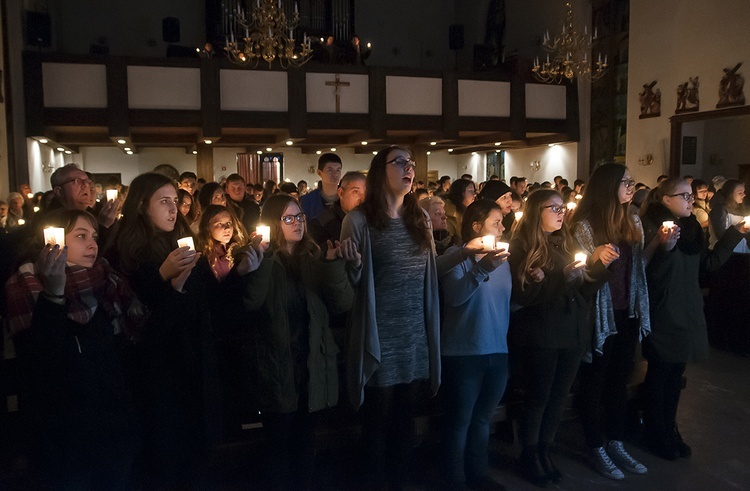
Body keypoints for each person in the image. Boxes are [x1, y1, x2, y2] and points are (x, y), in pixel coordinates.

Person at [5, 208, 141, 489]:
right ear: (48, 241)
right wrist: (53, 296)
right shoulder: (26, 288)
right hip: (63, 441)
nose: (93, 244)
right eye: (81, 236)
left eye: (94, 235)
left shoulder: (106, 282)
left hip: (111, 433)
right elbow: (39, 362)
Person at [106, 172, 219, 487]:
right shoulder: (126, 253)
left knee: (196, 461)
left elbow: (208, 300)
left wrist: (243, 273)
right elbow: (141, 321)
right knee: (165, 461)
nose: (174, 209)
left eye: (176, 201)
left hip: (193, 360)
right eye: (164, 201)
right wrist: (162, 276)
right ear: (142, 205)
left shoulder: (183, 243)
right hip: (158, 374)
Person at [237, 193, 355, 489]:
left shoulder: (314, 257)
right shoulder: (257, 258)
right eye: (289, 218)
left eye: (300, 217)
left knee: (306, 444)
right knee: (278, 447)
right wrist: (260, 262)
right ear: (275, 223)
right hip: (277, 366)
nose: (297, 223)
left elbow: (342, 304)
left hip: (311, 364)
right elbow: (251, 303)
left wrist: (333, 266)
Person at [340, 146, 440, 488]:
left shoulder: (421, 218)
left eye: (411, 162)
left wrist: (473, 261)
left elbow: (431, 274)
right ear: (379, 170)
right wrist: (352, 266)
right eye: (400, 162)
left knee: (406, 422)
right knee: (377, 424)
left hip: (415, 334)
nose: (409, 168)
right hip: (378, 334)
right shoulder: (357, 220)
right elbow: (348, 289)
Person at [638, 178, 747, 460]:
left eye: (691, 196)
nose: (690, 200)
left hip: (687, 311)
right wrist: (663, 249)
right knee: (660, 375)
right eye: (683, 195)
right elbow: (647, 276)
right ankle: (655, 432)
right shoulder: (651, 227)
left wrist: (735, 234)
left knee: (675, 376)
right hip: (664, 313)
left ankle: (670, 429)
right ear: (665, 200)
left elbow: (707, 266)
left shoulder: (690, 230)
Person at [508, 189, 610, 486]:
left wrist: (599, 266)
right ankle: (529, 453)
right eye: (552, 207)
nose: (560, 212)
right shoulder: (522, 245)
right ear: (535, 213)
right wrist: (559, 277)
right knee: (539, 395)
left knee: (559, 396)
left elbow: (583, 290)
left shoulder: (567, 240)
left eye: (561, 206)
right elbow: (523, 295)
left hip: (572, 330)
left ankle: (545, 448)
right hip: (541, 332)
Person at [570, 163, 650, 480]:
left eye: (631, 181)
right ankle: (595, 444)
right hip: (598, 316)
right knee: (595, 381)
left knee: (619, 378)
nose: (631, 186)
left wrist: (661, 245)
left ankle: (615, 441)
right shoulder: (584, 227)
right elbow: (582, 280)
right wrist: (593, 260)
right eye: (624, 181)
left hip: (627, 311)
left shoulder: (632, 220)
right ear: (607, 185)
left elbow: (638, 266)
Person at [440, 199, 511, 489]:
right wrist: (482, 269)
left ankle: (479, 474)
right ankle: (454, 479)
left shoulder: (504, 259)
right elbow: (455, 297)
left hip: (497, 350)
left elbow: (505, 302)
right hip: (464, 351)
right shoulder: (455, 256)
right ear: (476, 227)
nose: (503, 227)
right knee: (460, 421)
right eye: (496, 222)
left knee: (483, 419)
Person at [309, 171, 366, 253]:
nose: (362, 199)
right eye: (355, 192)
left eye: (366, 193)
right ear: (341, 193)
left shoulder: (371, 221)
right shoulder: (320, 224)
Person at [708, 178, 747, 251]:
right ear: (730, 193)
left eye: (743, 192)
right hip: (724, 253)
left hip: (738, 250)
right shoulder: (720, 209)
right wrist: (738, 229)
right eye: (740, 193)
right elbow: (721, 235)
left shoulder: (737, 208)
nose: (744, 195)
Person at [300, 153, 343, 220]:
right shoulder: (309, 201)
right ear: (319, 173)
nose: (335, 174)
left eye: (338, 170)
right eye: (330, 170)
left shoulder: (346, 198)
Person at [444, 179, 476, 246]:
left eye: (474, 191)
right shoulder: (449, 214)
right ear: (460, 193)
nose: (474, 195)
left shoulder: (467, 211)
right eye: (470, 191)